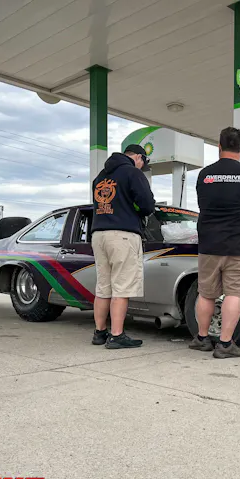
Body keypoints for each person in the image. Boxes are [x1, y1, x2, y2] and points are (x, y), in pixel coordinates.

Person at [191, 127, 240, 359]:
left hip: (209, 244)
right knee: (234, 294)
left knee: (206, 293)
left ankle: (202, 338)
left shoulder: (205, 174)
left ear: (219, 146)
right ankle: (225, 344)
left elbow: (204, 203)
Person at [90, 144, 156, 349]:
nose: (142, 167)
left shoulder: (100, 177)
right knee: (121, 287)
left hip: (99, 234)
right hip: (123, 235)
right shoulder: (133, 173)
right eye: (143, 162)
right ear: (138, 157)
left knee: (103, 287)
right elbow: (147, 205)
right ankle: (117, 335)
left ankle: (99, 332)